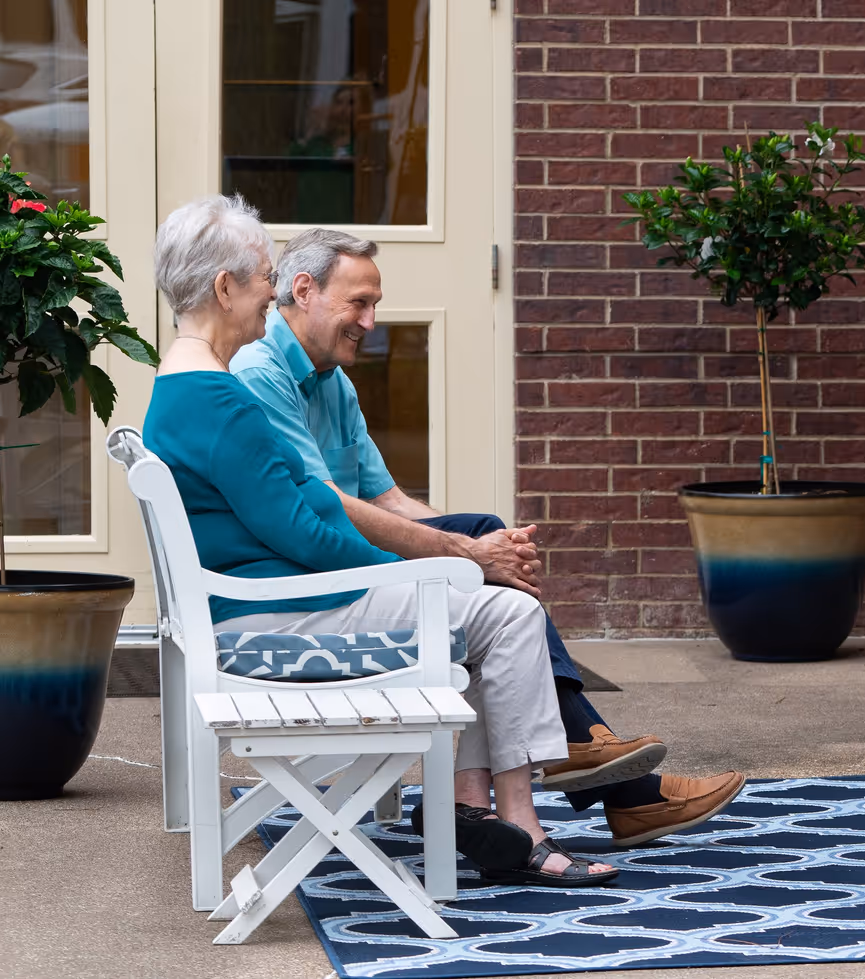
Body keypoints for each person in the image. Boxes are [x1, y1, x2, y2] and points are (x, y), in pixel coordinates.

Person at [143, 195, 615, 886]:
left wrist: (437, 562)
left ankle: (475, 814)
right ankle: (521, 826)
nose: (272, 294)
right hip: (278, 612)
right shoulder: (221, 400)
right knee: (508, 613)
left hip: (257, 602)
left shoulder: (181, 388)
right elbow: (306, 532)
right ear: (224, 287)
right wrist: (421, 570)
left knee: (484, 601)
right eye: (264, 279)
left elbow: (303, 502)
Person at [230, 227, 744, 845]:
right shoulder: (260, 371)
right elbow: (325, 503)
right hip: (325, 566)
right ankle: (593, 758)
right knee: (480, 549)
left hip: (352, 548)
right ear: (305, 290)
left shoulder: (333, 379)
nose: (371, 321)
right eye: (358, 303)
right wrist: (465, 553)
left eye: (375, 303)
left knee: (485, 533)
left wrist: (476, 547)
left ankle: (591, 764)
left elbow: (388, 497)